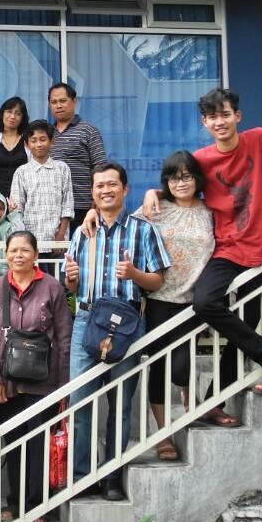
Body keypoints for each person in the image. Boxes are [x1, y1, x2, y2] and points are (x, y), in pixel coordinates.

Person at [140, 89, 262, 396]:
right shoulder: (202, 159)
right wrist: (152, 193)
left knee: (245, 326)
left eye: (225, 114)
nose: (219, 122)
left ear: (237, 116)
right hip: (225, 247)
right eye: (212, 117)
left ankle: (215, 402)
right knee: (205, 302)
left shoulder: (261, 139)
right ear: (204, 123)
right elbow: (179, 183)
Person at [63, 163, 169, 501]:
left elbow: (158, 280)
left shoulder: (142, 230)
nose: (105, 190)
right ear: (92, 193)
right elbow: (72, 282)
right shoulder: (83, 232)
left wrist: (135, 274)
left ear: (125, 189)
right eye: (99, 186)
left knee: (120, 403)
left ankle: (112, 476)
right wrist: (71, 280)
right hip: (86, 320)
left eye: (112, 185)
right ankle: (82, 476)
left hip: (127, 325)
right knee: (80, 402)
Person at [0, 232, 71, 522]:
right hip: (8, 383)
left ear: (35, 255)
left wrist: (63, 386)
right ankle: (15, 502)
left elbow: (63, 337)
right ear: (6, 254)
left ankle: (36, 505)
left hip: (43, 382)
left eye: (24, 250)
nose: (18, 255)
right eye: (13, 250)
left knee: (39, 444)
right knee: (14, 443)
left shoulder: (52, 288)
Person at [137, 152, 221, 463]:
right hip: (159, 298)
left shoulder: (209, 211)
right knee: (159, 367)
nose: (180, 182)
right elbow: (124, 227)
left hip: (194, 300)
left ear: (197, 179)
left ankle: (191, 402)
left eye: (186, 176)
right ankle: (163, 436)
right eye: (173, 177)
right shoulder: (157, 208)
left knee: (183, 364)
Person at [8, 120, 74, 250]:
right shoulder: (21, 172)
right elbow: (17, 210)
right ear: (27, 145)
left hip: (57, 240)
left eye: (43, 139)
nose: (38, 144)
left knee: (56, 270)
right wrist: (23, 239)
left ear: (51, 141)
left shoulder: (62, 168)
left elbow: (67, 205)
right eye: (33, 140)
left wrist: (60, 236)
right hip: (30, 242)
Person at [48, 82, 106, 229]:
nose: (58, 105)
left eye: (63, 101)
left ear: (74, 101)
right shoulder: (46, 134)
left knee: (84, 249)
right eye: (54, 102)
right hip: (52, 208)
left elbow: (100, 167)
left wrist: (97, 199)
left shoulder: (88, 130)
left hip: (82, 205)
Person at [0, 96, 29, 198]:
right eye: (9, 111)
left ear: (22, 118)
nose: (12, 116)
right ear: (2, 113)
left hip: (22, 198)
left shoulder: (28, 142)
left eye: (18, 113)